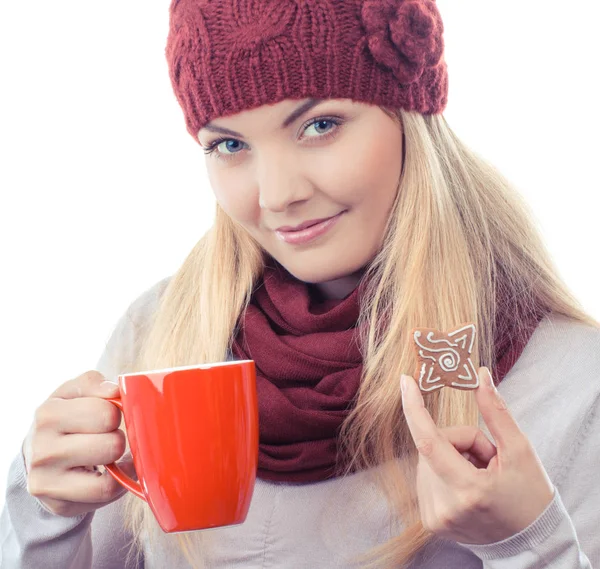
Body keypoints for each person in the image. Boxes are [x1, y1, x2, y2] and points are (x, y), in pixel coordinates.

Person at [1, 0, 599, 567]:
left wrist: (530, 544)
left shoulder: (571, 380)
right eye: (229, 144)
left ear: (411, 120)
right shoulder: (161, 329)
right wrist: (42, 508)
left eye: (320, 125)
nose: (277, 194)